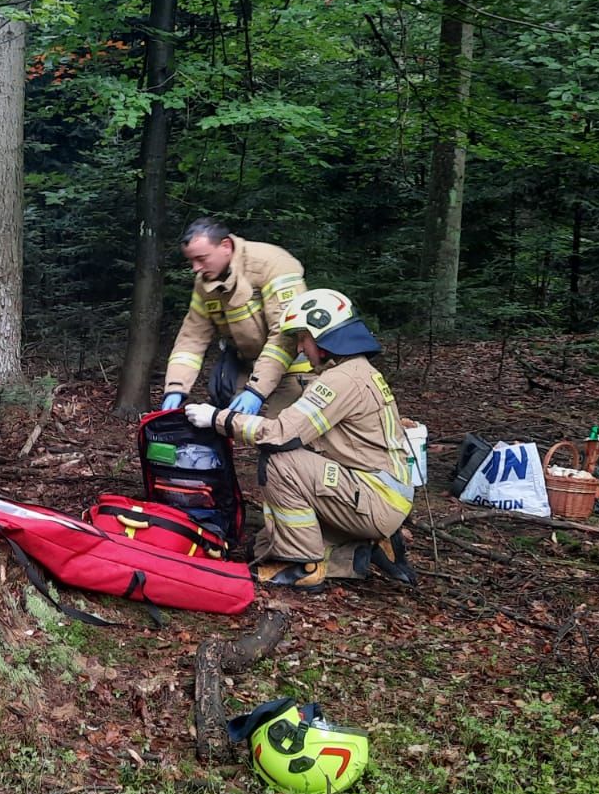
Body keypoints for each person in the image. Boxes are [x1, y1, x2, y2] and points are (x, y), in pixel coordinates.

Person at [184, 289, 416, 592]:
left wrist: (217, 419)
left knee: (280, 460)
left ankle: (303, 565)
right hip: (376, 489)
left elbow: (282, 434)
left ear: (323, 335)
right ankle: (357, 553)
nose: (301, 349)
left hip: (374, 497)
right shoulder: (355, 371)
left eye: (303, 338)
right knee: (261, 546)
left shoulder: (341, 380)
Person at [159, 218, 310, 417]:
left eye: (202, 258)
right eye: (191, 260)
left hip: (295, 368)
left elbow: (286, 335)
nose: (195, 268)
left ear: (225, 246)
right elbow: (192, 339)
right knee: (231, 428)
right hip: (248, 368)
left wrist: (256, 391)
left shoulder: (272, 264)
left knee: (281, 437)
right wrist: (176, 388)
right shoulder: (205, 282)